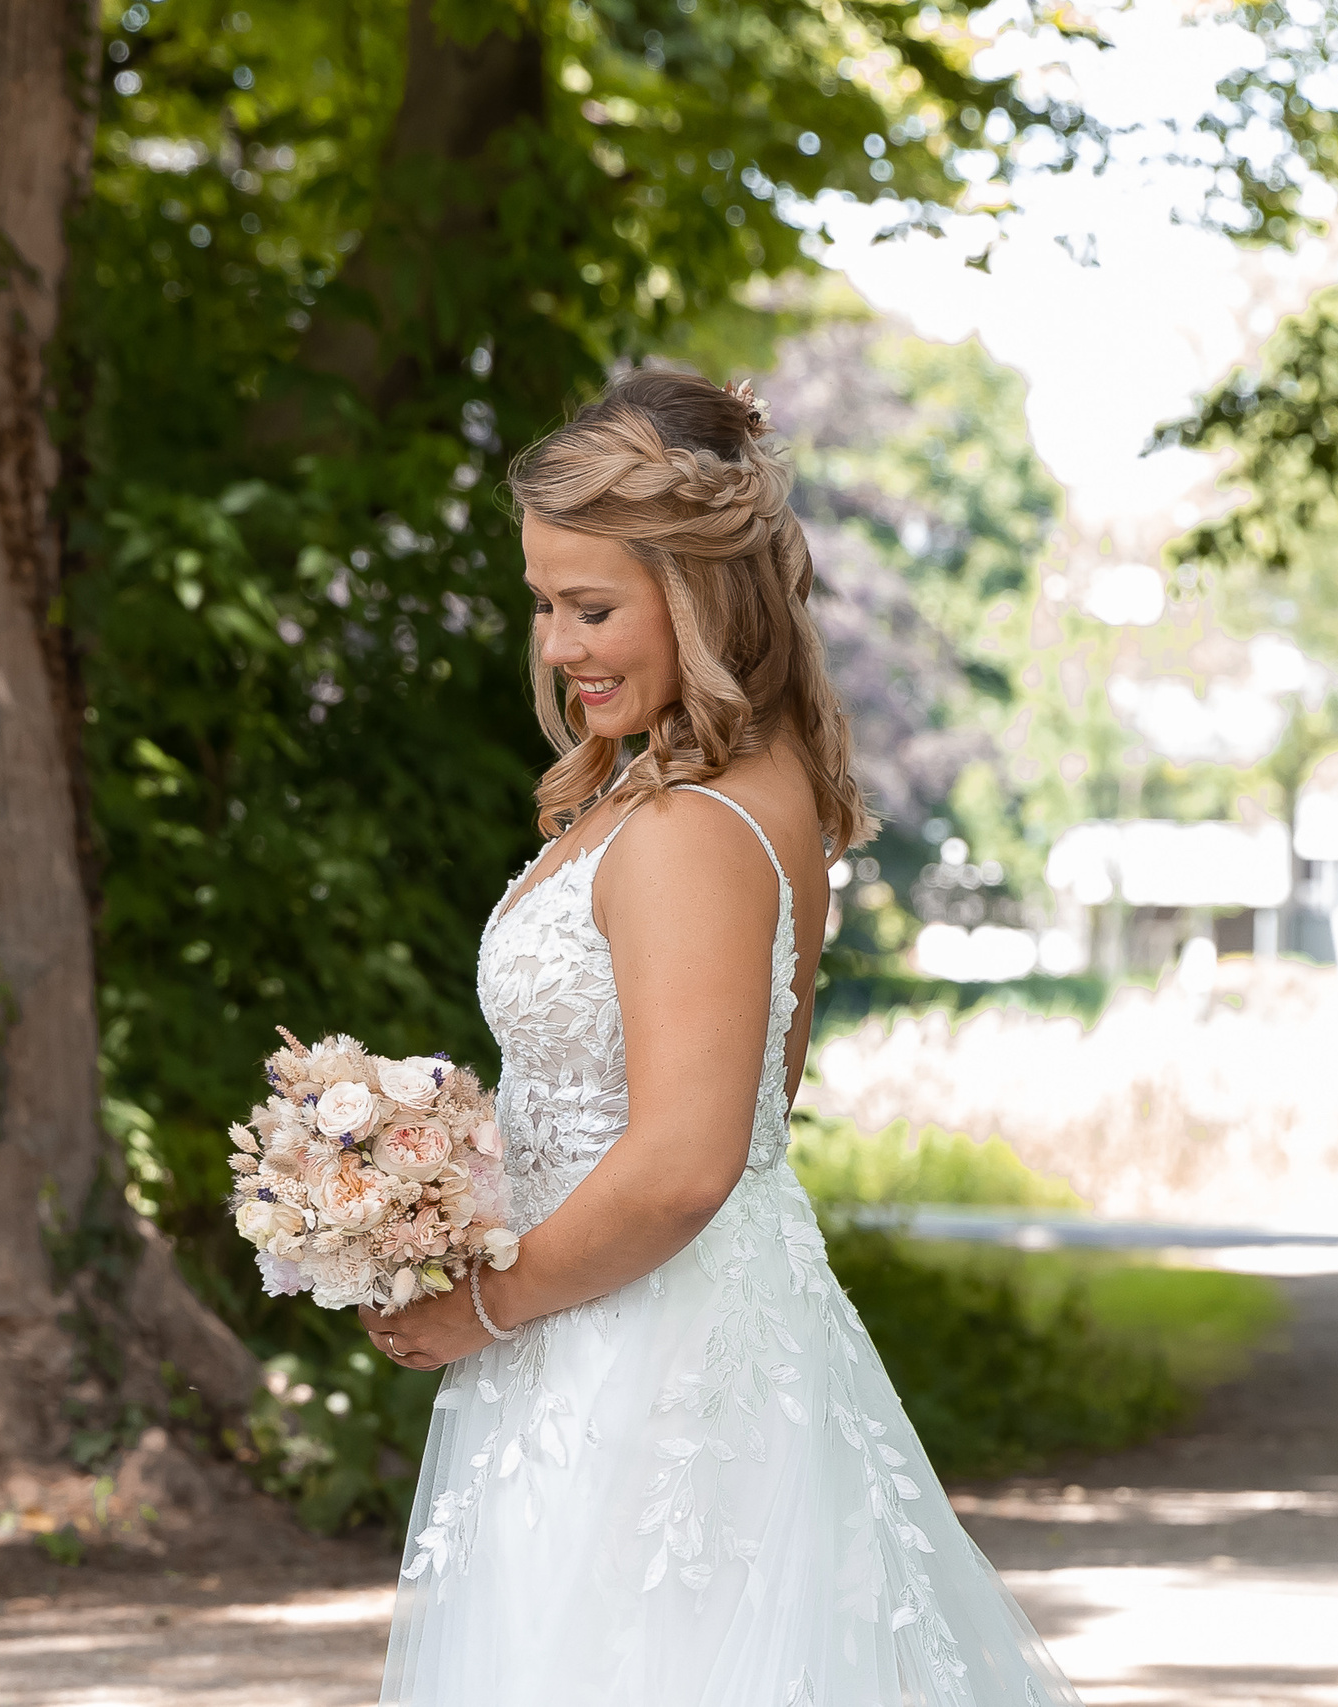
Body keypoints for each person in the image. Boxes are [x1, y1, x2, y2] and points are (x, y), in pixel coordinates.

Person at [358, 368, 1079, 1705]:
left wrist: (482, 1301)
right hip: (651, 1321)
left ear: (699, 597)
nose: (562, 646)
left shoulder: (693, 826)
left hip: (643, 1363)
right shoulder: (749, 788)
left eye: (594, 607)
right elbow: (753, 1109)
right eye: (545, 605)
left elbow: (693, 1157)